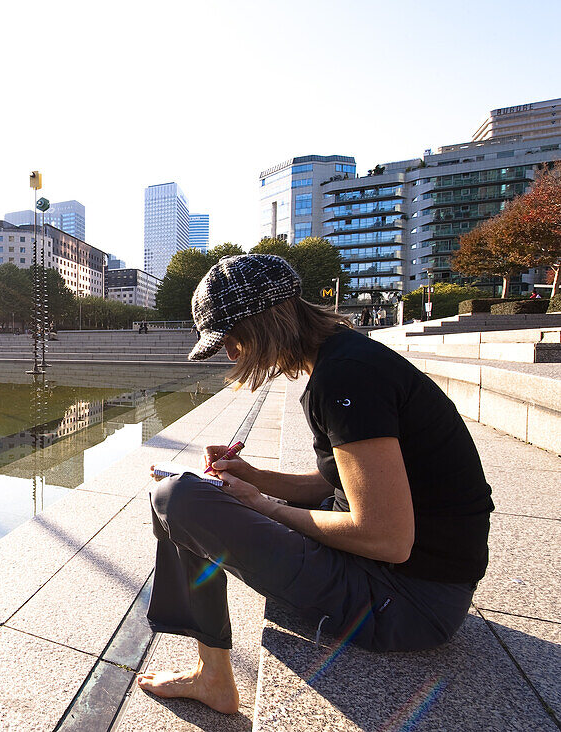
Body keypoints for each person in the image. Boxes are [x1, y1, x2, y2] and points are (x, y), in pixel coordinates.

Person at [137, 255, 493, 715]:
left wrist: (264, 505)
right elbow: (342, 484)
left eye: (231, 339)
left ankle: (213, 678)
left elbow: (386, 537)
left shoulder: (345, 378)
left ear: (261, 325)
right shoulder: (347, 360)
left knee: (176, 498)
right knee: (191, 494)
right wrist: (254, 478)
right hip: (419, 586)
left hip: (408, 603)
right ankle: (210, 667)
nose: (230, 355)